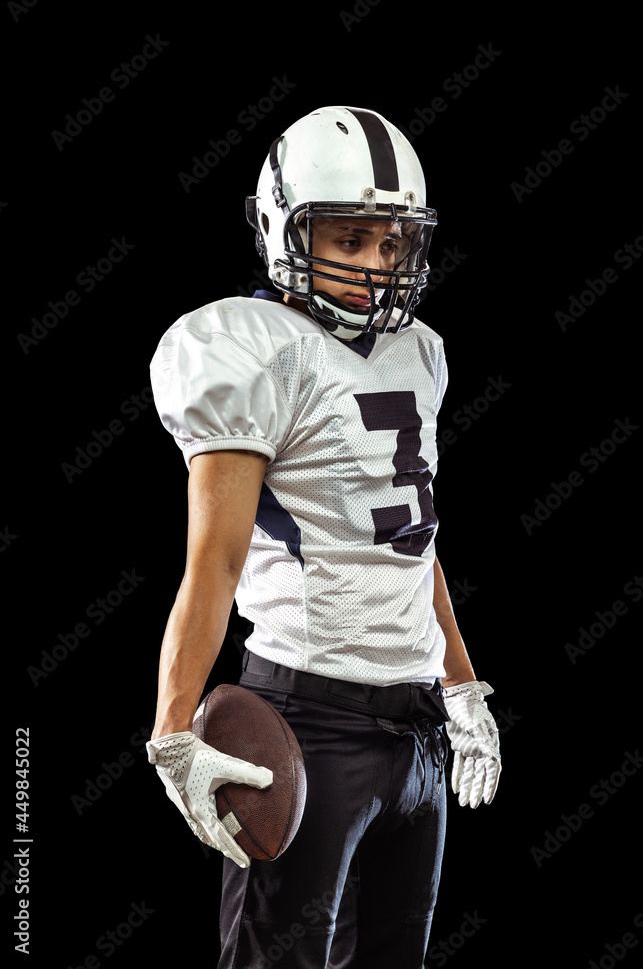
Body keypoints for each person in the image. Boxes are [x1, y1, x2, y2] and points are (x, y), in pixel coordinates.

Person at [146, 105, 501, 969]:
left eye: (390, 244)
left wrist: (460, 688)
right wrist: (171, 733)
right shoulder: (250, 347)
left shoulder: (420, 351)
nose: (376, 266)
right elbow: (214, 563)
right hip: (309, 718)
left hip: (415, 723)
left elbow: (414, 544)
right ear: (280, 228)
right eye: (348, 240)